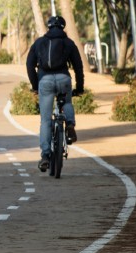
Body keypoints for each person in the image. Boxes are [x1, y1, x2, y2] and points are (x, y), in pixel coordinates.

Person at [26, 15, 85, 172]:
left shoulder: (39, 42)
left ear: (49, 27)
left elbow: (29, 65)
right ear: (63, 27)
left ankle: (45, 156)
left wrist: (35, 86)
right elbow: (78, 67)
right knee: (67, 102)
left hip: (44, 81)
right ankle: (70, 125)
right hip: (63, 79)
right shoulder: (69, 43)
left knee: (45, 121)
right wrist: (80, 87)